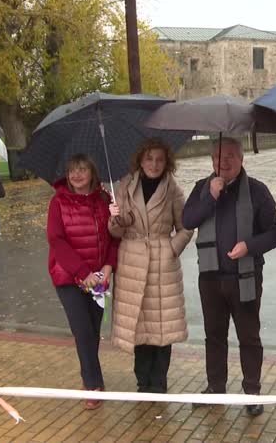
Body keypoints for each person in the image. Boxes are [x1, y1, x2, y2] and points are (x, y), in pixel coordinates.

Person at [182, 136, 276, 417]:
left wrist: (249, 246)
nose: (222, 162)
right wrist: (210, 198)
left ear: (241, 159)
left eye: (229, 157)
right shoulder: (203, 187)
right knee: (214, 336)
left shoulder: (257, 191)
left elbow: (275, 233)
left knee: (249, 337)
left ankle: (252, 392)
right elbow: (187, 220)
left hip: (245, 276)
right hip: (211, 278)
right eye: (217, 157)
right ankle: (216, 388)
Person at [108, 138, 194, 394]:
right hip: (132, 263)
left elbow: (186, 226)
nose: (154, 164)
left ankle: (158, 382)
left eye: (159, 159)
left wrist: (172, 248)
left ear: (167, 162)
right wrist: (115, 220)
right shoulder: (124, 186)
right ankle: (142, 380)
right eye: (149, 158)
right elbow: (115, 232)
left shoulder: (173, 190)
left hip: (161, 264)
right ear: (140, 160)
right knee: (139, 326)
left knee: (162, 328)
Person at [46, 154, 119, 410]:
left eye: (82, 169)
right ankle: (92, 384)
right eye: (72, 170)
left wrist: (109, 267)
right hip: (69, 278)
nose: (77, 175)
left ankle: (92, 377)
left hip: (99, 278)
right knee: (83, 332)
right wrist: (82, 273)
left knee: (93, 332)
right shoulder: (58, 203)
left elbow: (113, 239)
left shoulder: (104, 200)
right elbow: (56, 240)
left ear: (92, 172)